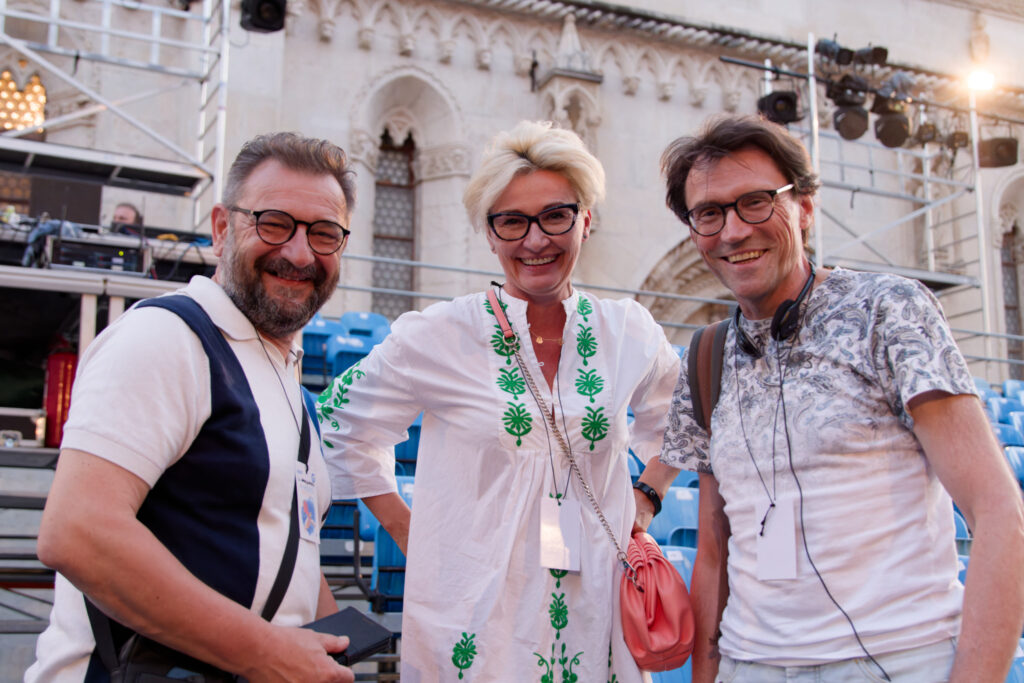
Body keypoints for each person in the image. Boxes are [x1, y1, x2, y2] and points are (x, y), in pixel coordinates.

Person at [649, 114, 1024, 682]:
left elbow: (997, 510)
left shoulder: (888, 309)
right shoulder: (705, 356)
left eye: (755, 202)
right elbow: (715, 553)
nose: (732, 231)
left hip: (897, 661)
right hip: (751, 666)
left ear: (804, 206)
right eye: (709, 213)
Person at [318, 120, 681, 681]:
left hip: (596, 607)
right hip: (475, 612)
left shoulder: (627, 331)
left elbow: (683, 416)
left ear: (585, 221)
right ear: (489, 235)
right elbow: (341, 420)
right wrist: (409, 533)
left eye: (555, 216)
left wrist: (648, 496)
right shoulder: (440, 334)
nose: (535, 241)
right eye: (511, 221)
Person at [27, 132, 358, 683]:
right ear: (222, 228)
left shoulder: (292, 386)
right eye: (275, 224)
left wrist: (332, 654)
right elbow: (77, 531)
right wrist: (264, 653)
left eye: (324, 234)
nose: (300, 254)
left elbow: (292, 562)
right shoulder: (167, 337)